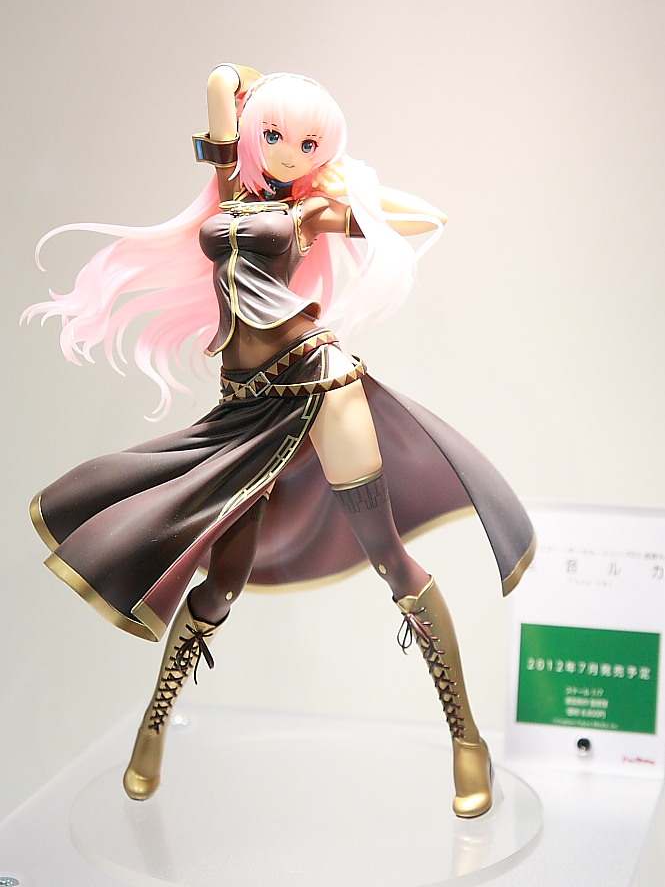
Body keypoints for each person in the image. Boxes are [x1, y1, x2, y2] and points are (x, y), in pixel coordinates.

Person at [24, 63, 535, 819]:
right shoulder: (230, 188)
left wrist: (351, 187)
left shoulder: (311, 211)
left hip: (321, 380)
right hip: (244, 405)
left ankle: (466, 738)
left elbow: (428, 217)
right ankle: (153, 728)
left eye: (309, 143)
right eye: (276, 135)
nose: (290, 152)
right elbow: (218, 81)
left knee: (388, 557)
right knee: (220, 584)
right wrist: (254, 87)